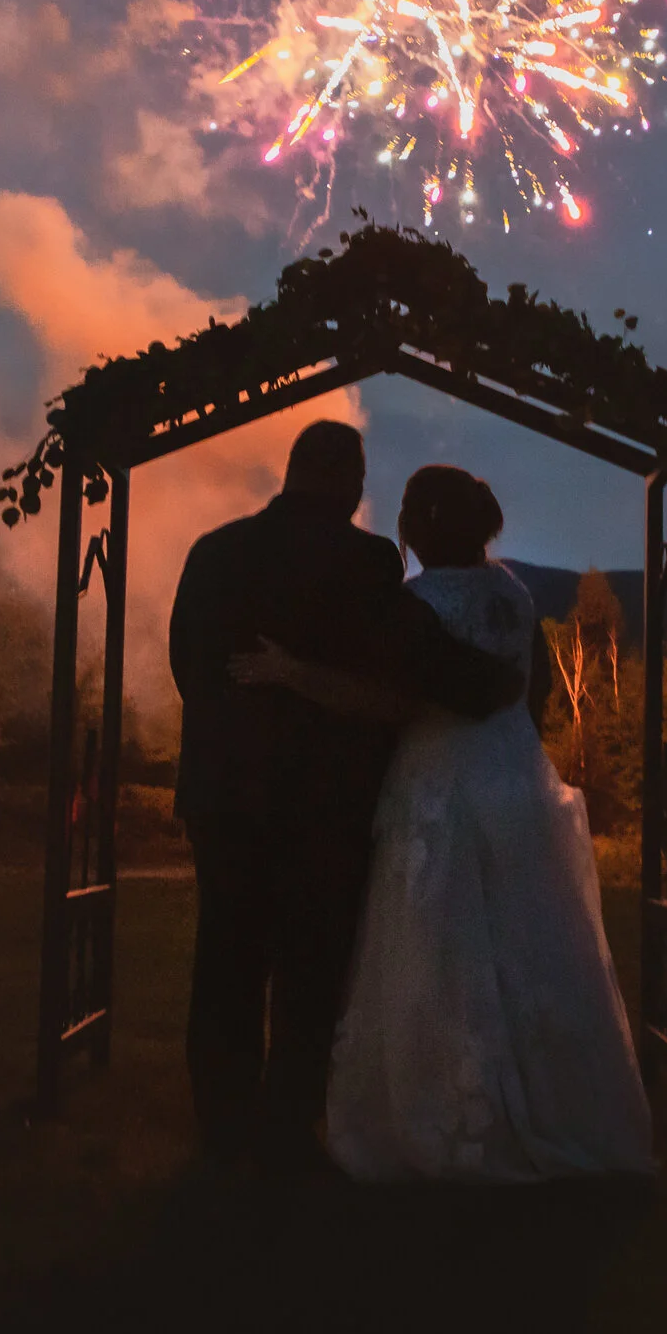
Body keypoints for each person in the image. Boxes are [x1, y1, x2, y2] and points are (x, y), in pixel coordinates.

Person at [232, 464, 655, 1181]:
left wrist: (293, 674)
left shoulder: (415, 603)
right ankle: (554, 1103)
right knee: (527, 941)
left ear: (419, 526)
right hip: (515, 777)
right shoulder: (516, 597)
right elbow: (531, 695)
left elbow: (389, 702)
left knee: (435, 943)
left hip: (439, 780)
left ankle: (444, 1108)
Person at [169, 423, 524, 1174]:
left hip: (223, 797)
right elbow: (410, 663)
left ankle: (223, 1130)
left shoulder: (212, 553)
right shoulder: (367, 563)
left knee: (225, 960)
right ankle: (288, 1130)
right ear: (354, 482)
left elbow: (185, 667)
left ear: (291, 469)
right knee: (308, 971)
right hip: (320, 807)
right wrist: (497, 683)